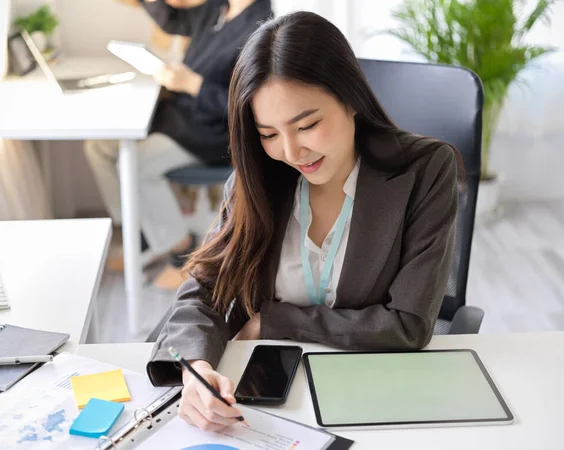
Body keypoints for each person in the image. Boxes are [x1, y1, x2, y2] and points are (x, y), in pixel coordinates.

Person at [146, 11, 460, 431]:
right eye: (269, 133)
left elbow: (408, 325)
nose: (293, 152)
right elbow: (204, 289)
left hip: (376, 393)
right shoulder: (259, 175)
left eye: (307, 125)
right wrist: (196, 369)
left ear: (350, 99)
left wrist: (272, 320)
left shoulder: (424, 170)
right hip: (269, 398)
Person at [84, 0, 273, 285]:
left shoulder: (262, 25)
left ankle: (181, 251)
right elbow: (174, 21)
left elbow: (250, 106)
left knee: (135, 165)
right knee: (98, 148)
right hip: (180, 115)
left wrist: (192, 84)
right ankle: (141, 235)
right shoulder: (218, 8)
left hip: (211, 132)